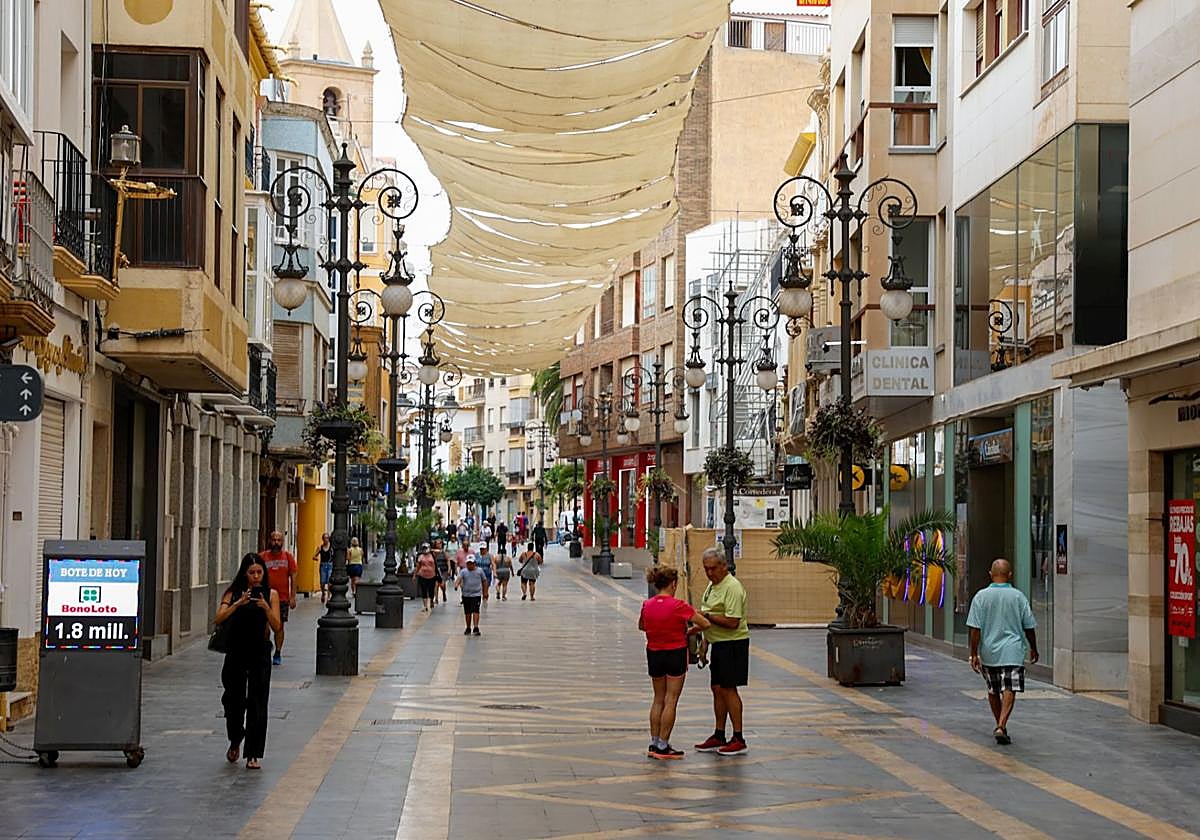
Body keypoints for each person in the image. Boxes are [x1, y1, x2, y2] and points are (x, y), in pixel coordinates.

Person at [215, 553, 281, 770]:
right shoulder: (233, 593)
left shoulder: (271, 595)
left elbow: (277, 626)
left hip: (260, 651)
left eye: (259, 572)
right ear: (245, 573)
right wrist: (238, 603)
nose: (255, 577)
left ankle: (253, 753)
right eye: (252, 572)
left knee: (258, 702)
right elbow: (219, 618)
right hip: (236, 651)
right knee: (233, 700)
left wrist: (265, 607)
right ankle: (236, 738)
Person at [639, 565, 710, 760]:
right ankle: (663, 745)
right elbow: (705, 623)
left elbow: (642, 625)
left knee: (658, 698)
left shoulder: (647, 604)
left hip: (654, 652)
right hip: (675, 653)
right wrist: (689, 631)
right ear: (673, 584)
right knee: (671, 699)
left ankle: (654, 742)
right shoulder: (679, 606)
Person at [967, 558, 1039, 745]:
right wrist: (1033, 648)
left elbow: (975, 629)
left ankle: (1000, 724)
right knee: (1010, 687)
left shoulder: (980, 597)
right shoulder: (1018, 597)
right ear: (1010, 575)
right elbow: (1029, 626)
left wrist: (974, 653)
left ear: (990, 574)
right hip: (1013, 651)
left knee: (993, 689)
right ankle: (1002, 725)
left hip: (989, 651)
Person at [693, 548, 750, 756]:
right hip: (717, 643)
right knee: (717, 689)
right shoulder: (712, 585)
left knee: (729, 689)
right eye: (706, 569)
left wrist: (706, 616)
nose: (709, 573)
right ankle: (719, 733)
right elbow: (708, 619)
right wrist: (703, 642)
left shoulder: (732, 588)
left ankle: (738, 736)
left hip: (733, 644)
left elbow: (733, 622)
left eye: (713, 569)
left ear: (724, 566)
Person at [259, 531, 296, 666]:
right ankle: (265, 649)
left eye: (279, 540)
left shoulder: (288, 557)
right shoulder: (262, 557)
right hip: (265, 597)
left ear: (282, 542)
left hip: (282, 599)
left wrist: (293, 596)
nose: (276, 543)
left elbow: (293, 577)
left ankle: (278, 652)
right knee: (265, 627)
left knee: (279, 627)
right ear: (270, 541)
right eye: (274, 540)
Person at [455, 554, 488, 636]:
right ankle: (468, 627)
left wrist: (485, 593)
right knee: (467, 612)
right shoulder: (464, 571)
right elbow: (459, 578)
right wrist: (456, 585)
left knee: (476, 610)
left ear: (475, 563)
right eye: (468, 563)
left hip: (476, 595)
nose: (470, 565)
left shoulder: (479, 571)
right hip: (466, 595)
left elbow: (484, 581)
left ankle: (476, 627)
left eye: (471, 563)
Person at [413, 542, 439, 613]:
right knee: (424, 590)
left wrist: (432, 550)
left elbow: (439, 551)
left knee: (431, 590)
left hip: (432, 576)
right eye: (423, 548)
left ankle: (431, 601)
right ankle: (425, 606)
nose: (425, 550)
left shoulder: (432, 555)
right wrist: (414, 575)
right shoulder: (420, 556)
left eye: (426, 548)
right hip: (422, 575)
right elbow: (418, 566)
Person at [313, 533, 333, 604]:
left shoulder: (331, 547)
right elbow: (314, 555)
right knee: (322, 582)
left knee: (329, 582)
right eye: (325, 538)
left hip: (330, 565)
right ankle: (323, 593)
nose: (326, 540)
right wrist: (315, 558)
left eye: (327, 538)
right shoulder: (320, 547)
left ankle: (328, 597)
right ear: (322, 539)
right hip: (323, 565)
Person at [432, 538, 451, 603]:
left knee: (442, 584)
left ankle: (443, 593)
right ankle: (436, 599)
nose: (439, 545)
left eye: (440, 543)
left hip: (444, 571)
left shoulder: (444, 552)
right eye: (437, 543)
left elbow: (448, 560)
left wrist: (449, 569)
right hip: (437, 571)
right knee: (436, 584)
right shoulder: (434, 552)